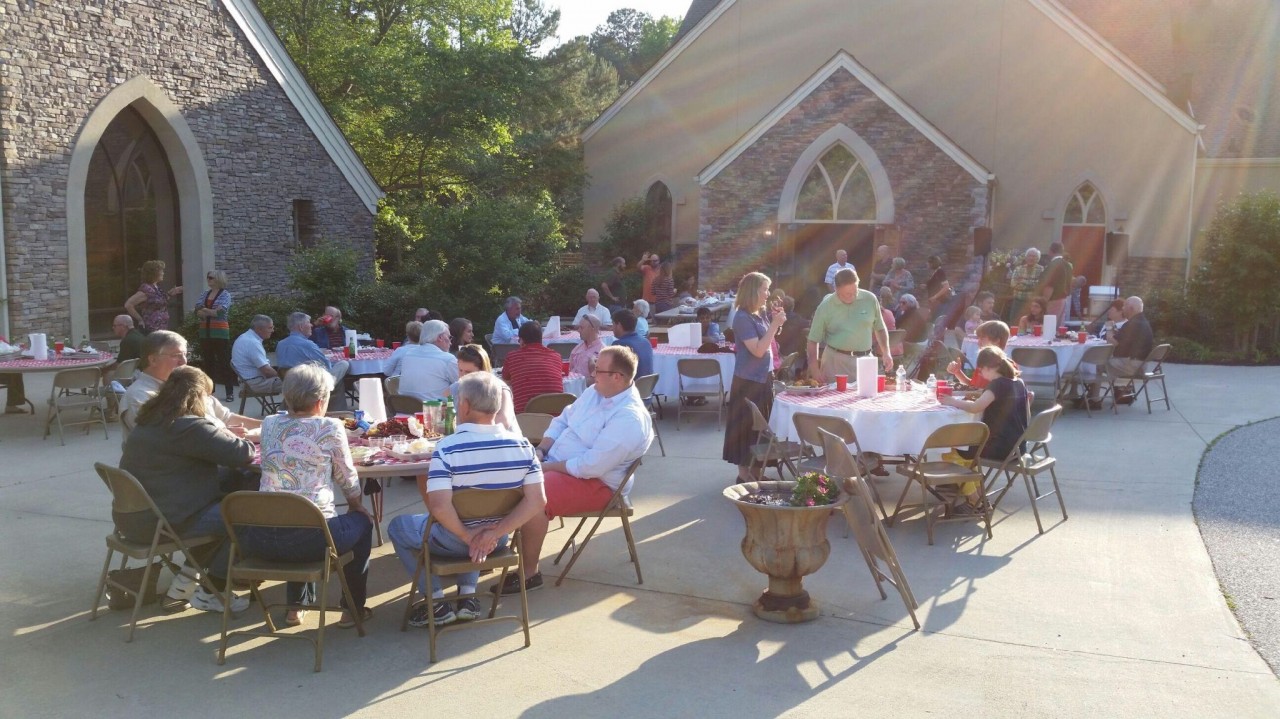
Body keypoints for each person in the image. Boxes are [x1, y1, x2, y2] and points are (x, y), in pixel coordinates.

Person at [390, 372, 546, 625]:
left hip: (452, 539)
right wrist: (492, 535)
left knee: (398, 526)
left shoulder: (447, 447)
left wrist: (467, 536)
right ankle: (467, 597)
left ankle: (436, 601)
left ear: (463, 405)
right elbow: (537, 501)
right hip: (497, 538)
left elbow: (440, 507)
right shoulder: (524, 446)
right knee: (479, 520)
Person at [498, 346, 652, 593]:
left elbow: (590, 467)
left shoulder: (629, 418)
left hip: (597, 483)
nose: (591, 374)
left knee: (534, 496)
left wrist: (544, 466)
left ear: (618, 377)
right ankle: (490, 547)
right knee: (500, 473)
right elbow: (562, 420)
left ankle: (529, 574)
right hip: (559, 464)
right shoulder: (596, 392)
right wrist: (541, 451)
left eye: (598, 370)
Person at [241, 363, 374, 628]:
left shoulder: (269, 424)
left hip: (262, 535)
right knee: (361, 523)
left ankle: (295, 607)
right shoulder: (329, 427)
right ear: (320, 400)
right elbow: (347, 479)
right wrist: (356, 505)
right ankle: (352, 608)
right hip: (313, 540)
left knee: (292, 510)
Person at [119, 366, 253, 614]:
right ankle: (214, 589)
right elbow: (241, 453)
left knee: (236, 482)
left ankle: (188, 577)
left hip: (135, 517)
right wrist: (242, 436)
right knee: (248, 515)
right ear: (197, 395)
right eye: (208, 396)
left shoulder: (151, 420)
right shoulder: (187, 425)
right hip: (163, 522)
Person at [938, 346, 1030, 513]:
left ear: (988, 368)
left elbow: (975, 407)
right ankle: (980, 498)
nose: (980, 374)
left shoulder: (997, 385)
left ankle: (975, 500)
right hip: (1018, 447)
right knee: (966, 453)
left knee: (952, 453)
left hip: (1001, 447)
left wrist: (952, 401)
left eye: (981, 370)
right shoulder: (1018, 382)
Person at [123, 330, 262, 433]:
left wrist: (269, 426)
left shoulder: (187, 384)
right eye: (176, 355)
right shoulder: (139, 396)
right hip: (186, 468)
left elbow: (226, 417)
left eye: (185, 354)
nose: (184, 361)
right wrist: (224, 435)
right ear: (152, 359)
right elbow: (163, 440)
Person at [723, 272, 786, 482]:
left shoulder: (759, 314)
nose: (768, 294)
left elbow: (767, 341)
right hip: (748, 382)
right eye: (765, 289)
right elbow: (758, 350)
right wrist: (775, 325)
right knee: (746, 429)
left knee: (761, 429)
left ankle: (758, 473)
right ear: (753, 291)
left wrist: (775, 324)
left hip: (763, 378)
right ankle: (744, 475)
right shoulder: (742, 317)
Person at [806, 268, 893, 384]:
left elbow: (880, 328)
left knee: (868, 400)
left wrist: (886, 352)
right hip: (835, 362)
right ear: (836, 289)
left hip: (866, 359)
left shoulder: (870, 299)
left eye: (855, 292)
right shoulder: (825, 306)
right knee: (834, 400)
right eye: (847, 294)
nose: (852, 297)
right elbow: (813, 340)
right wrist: (815, 369)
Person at [1088, 296, 1153, 405]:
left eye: (1125, 306)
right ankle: (1094, 396)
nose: (1123, 309)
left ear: (1131, 309)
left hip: (1131, 365)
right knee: (1103, 362)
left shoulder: (1132, 324)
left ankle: (1093, 400)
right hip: (1141, 364)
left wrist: (1109, 328)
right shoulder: (1143, 322)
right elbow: (1122, 341)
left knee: (1096, 364)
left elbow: (1113, 342)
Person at [452, 344, 519, 431]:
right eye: (460, 370)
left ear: (482, 371)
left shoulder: (499, 388)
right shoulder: (459, 386)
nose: (463, 376)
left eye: (468, 372)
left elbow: (503, 422)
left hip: (503, 440)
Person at [274, 312, 351, 387]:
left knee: (336, 382)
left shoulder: (280, 344)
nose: (311, 325)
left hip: (289, 386)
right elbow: (327, 366)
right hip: (310, 386)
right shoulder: (308, 344)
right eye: (309, 322)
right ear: (301, 327)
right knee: (344, 364)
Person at [502, 321, 564, 413]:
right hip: (555, 418)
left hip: (524, 418)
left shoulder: (512, 357)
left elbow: (505, 379)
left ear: (522, 341)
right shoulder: (556, 356)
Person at [193, 269, 235, 401]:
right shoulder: (205, 294)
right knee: (208, 362)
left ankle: (230, 392)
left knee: (224, 362)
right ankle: (210, 391)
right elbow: (197, 311)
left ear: (218, 279)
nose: (208, 280)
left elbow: (221, 313)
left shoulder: (225, 294)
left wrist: (205, 310)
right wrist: (209, 311)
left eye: (211, 278)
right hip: (205, 332)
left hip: (220, 332)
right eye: (208, 278)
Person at [398, 320, 459, 402]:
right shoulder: (447, 359)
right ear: (440, 338)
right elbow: (463, 385)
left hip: (404, 410)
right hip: (435, 411)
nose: (450, 343)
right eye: (449, 337)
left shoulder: (408, 354)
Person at [947, 320, 1011, 389]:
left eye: (982, 338)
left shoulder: (1004, 366)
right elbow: (974, 386)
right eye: (978, 338)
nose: (978, 343)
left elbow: (989, 394)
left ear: (996, 341)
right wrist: (957, 372)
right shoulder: (985, 362)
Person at [124, 259, 182, 333]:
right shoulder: (146, 289)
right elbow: (128, 304)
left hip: (161, 328)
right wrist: (140, 319)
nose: (163, 273)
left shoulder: (155, 287)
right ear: (154, 273)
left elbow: (158, 302)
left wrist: (170, 293)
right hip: (152, 329)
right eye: (161, 271)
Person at [231, 315, 282, 395]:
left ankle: (288, 407)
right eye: (270, 328)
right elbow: (267, 371)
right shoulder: (252, 342)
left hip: (248, 382)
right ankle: (287, 407)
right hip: (255, 384)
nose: (272, 330)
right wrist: (284, 377)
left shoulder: (245, 337)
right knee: (298, 384)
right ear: (259, 329)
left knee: (296, 383)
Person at [610, 309, 653, 379]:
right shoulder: (645, 341)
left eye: (613, 324)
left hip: (628, 388)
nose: (612, 328)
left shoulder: (620, 345)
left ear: (619, 325)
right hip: (646, 388)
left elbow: (610, 372)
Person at [1040, 242, 1074, 319]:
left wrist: (1044, 302)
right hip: (1063, 299)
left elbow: (1050, 285)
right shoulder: (1068, 265)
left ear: (1050, 251)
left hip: (1052, 300)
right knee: (1059, 326)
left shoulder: (1053, 265)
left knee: (1049, 325)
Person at [1009, 248, 1043, 323]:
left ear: (1038, 259)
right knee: (1014, 323)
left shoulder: (1041, 270)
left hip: (1032, 303)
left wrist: (1023, 281)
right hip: (1018, 302)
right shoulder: (1018, 269)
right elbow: (1013, 284)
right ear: (1026, 257)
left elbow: (1040, 285)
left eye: (1034, 256)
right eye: (1029, 256)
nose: (1031, 258)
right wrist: (1032, 284)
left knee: (1030, 325)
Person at [568, 315, 605, 380]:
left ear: (592, 329)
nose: (578, 330)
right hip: (573, 386)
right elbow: (569, 369)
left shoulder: (603, 351)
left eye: (581, 328)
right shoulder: (578, 348)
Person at [923, 255, 954, 319]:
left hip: (940, 302)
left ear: (932, 263)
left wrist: (935, 297)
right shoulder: (936, 272)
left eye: (928, 263)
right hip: (936, 302)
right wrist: (926, 286)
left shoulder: (940, 272)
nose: (926, 264)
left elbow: (946, 286)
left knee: (937, 318)